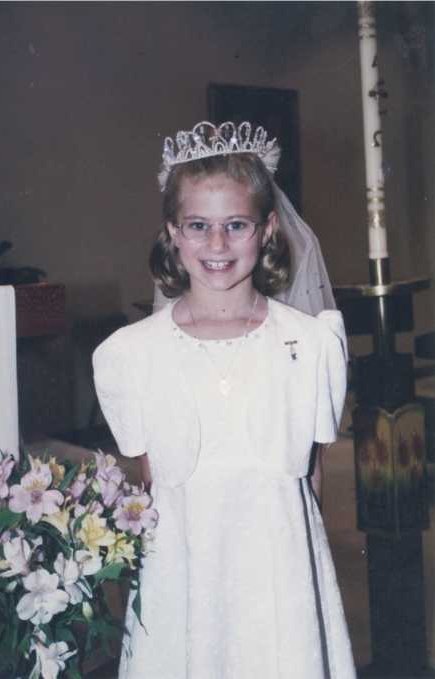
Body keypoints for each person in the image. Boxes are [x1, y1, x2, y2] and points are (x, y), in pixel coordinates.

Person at [93, 121, 356, 679]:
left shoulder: (308, 344)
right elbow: (145, 479)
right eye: (199, 226)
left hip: (278, 579)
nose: (217, 245)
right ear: (174, 234)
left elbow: (312, 481)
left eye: (235, 225)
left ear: (266, 231)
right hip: (183, 577)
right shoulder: (131, 354)